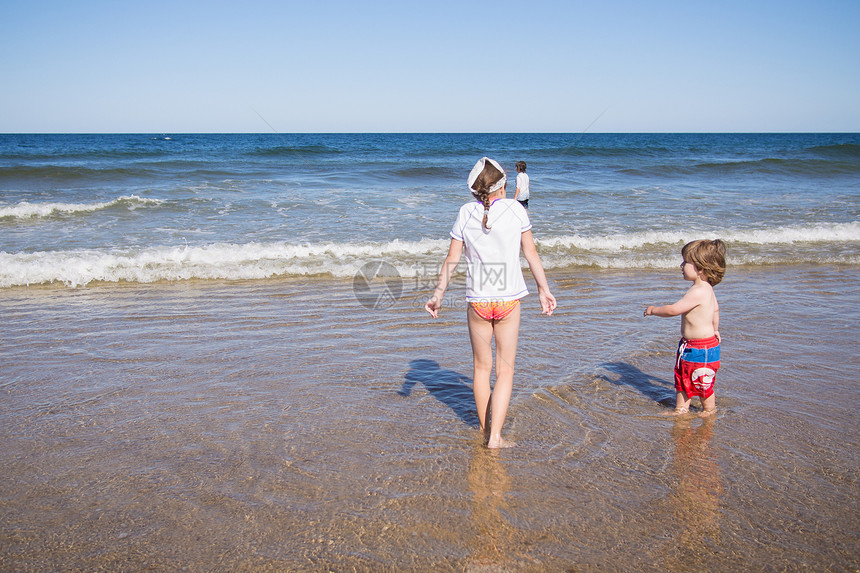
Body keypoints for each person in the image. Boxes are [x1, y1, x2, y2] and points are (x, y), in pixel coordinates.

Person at [425, 157, 556, 448]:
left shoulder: (464, 212)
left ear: (474, 191)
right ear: (503, 184)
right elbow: (531, 254)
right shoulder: (516, 210)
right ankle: (496, 437)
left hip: (478, 303)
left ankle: (487, 432)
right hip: (509, 300)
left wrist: (438, 295)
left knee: (481, 369)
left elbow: (452, 259)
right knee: (505, 370)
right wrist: (543, 290)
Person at [644, 239, 726, 417]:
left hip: (700, 348)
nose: (681, 265)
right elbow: (716, 309)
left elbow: (674, 310)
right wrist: (716, 328)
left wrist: (653, 310)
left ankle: (709, 410)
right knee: (683, 379)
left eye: (685, 262)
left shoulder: (698, 291)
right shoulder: (707, 289)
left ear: (701, 268)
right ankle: (681, 409)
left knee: (701, 381)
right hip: (693, 346)